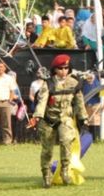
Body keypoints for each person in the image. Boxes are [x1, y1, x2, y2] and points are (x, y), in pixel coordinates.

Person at [32, 54, 87, 188]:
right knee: (47, 150)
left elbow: (79, 101)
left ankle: (65, 171)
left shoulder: (74, 83)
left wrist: (83, 117)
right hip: (48, 119)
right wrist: (37, 116)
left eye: (66, 68)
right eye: (60, 68)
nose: (63, 71)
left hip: (65, 118)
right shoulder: (49, 83)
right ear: (55, 69)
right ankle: (46, 175)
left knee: (66, 142)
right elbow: (42, 101)